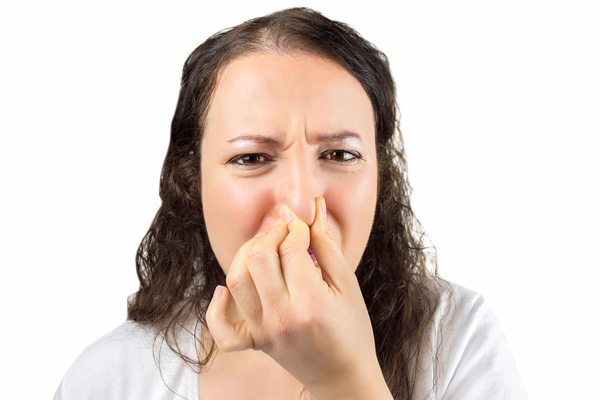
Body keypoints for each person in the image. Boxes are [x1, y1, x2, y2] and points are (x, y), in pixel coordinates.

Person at [54, 7, 527, 400]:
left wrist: (344, 380)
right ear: (191, 181)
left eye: (340, 154)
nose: (301, 206)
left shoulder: (457, 339)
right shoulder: (111, 379)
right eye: (252, 157)